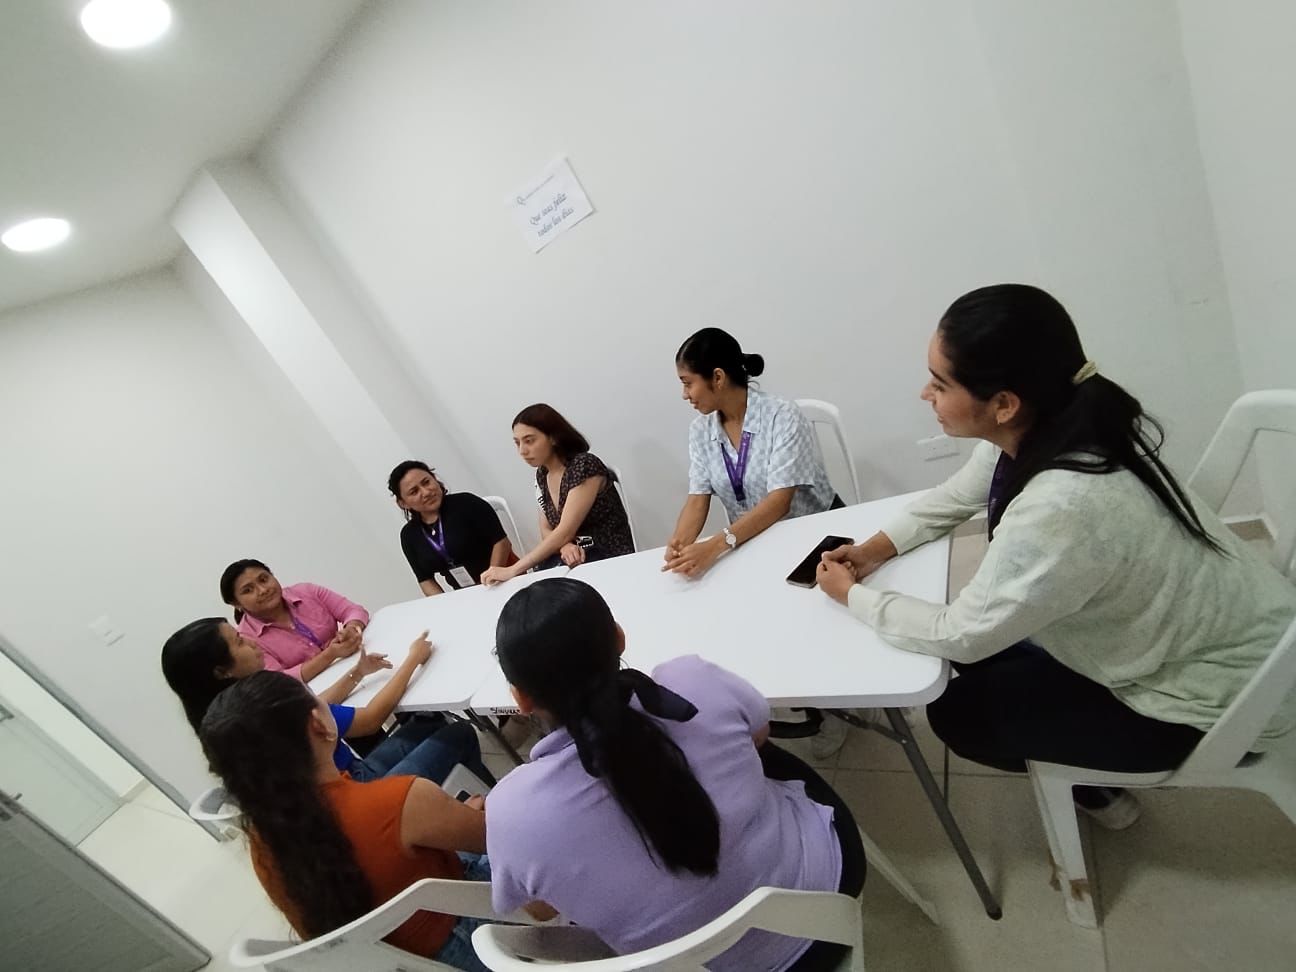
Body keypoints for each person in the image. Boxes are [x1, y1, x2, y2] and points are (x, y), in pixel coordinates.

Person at [817, 283, 1296, 828]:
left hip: (1215, 701)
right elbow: (953, 498)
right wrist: (873, 550)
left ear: (1004, 404)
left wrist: (852, 596)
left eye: (940, 383)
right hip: (1214, 634)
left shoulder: (1061, 505)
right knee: (968, 656)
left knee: (956, 714)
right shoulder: (1060, 423)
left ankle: (1098, 789)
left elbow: (962, 634)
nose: (925, 393)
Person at [484, 578, 864, 971]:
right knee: (751, 746)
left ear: (520, 699)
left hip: (703, 967)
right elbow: (760, 734)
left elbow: (542, 910)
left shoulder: (511, 814)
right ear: (619, 637)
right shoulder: (692, 682)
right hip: (828, 898)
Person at [200, 671, 492, 971]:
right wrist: (457, 816)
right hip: (473, 937)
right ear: (319, 724)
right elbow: (496, 839)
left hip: (397, 962)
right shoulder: (401, 801)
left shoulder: (264, 842)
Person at [160, 617, 492, 786]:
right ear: (221, 671)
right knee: (460, 733)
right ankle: (485, 809)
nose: (251, 641)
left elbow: (316, 706)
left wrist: (357, 673)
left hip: (344, 781)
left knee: (427, 721)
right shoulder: (271, 705)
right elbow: (369, 721)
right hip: (357, 788)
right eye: (239, 642)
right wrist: (413, 659)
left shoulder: (229, 721)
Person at [664, 327, 837, 579]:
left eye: (688, 383)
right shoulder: (700, 430)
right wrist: (679, 545)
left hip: (816, 537)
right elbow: (697, 499)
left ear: (718, 377)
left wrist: (713, 546)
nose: (684, 395)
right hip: (755, 540)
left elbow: (779, 503)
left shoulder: (781, 415)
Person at [480, 404, 633, 584]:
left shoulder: (584, 465)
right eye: (517, 443)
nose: (522, 451)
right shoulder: (542, 474)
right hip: (571, 559)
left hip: (607, 556)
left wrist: (514, 569)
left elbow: (565, 530)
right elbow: (546, 529)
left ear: (553, 437)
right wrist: (564, 546)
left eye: (529, 441)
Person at [220, 559, 366, 682]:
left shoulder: (306, 591)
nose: (263, 590)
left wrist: (351, 629)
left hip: (355, 662)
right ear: (236, 604)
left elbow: (354, 610)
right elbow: (277, 680)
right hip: (318, 691)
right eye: (248, 590)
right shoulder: (247, 639)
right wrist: (330, 655)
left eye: (264, 580)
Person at [388, 460, 514, 595]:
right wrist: (446, 604)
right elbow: (425, 579)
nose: (426, 492)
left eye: (426, 482)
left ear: (435, 479)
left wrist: (490, 585)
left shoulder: (467, 503)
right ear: (403, 503)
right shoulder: (409, 535)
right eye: (414, 492)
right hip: (465, 594)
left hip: (505, 579)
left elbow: (502, 542)